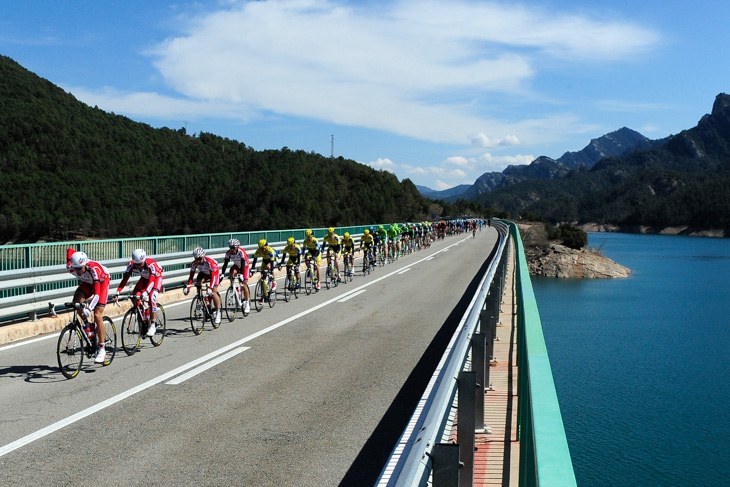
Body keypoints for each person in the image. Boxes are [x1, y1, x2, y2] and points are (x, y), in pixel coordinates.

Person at [68, 251, 110, 363]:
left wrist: (89, 309)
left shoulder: (94, 269)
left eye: (79, 268)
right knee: (76, 303)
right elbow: (69, 251)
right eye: (75, 268)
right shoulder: (71, 267)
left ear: (85, 265)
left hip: (101, 282)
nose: (77, 271)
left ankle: (102, 350)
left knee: (97, 314)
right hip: (87, 282)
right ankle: (88, 326)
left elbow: (96, 294)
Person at [112, 249, 163, 337]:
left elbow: (151, 281)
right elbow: (125, 280)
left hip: (156, 279)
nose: (138, 266)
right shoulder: (131, 265)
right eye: (136, 264)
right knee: (134, 296)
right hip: (144, 279)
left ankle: (153, 325)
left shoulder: (151, 265)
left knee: (151, 297)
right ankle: (143, 314)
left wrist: (146, 292)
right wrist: (117, 292)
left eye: (140, 264)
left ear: (144, 260)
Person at [183, 247, 222, 325]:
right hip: (204, 273)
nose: (198, 261)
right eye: (196, 259)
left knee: (213, 292)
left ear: (203, 257)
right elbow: (191, 277)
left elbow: (213, 277)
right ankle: (200, 298)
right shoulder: (194, 263)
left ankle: (218, 313)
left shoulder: (209, 262)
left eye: (199, 259)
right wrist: (188, 287)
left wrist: (210, 288)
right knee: (198, 283)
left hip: (214, 274)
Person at [220, 239, 251, 314]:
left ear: (237, 247)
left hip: (245, 267)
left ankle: (247, 303)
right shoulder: (228, 253)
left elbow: (243, 263)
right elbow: (225, 264)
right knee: (231, 273)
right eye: (230, 247)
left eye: (233, 248)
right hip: (236, 266)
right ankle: (233, 287)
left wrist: (242, 274)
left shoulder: (241, 252)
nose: (231, 249)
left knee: (244, 285)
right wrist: (222, 274)